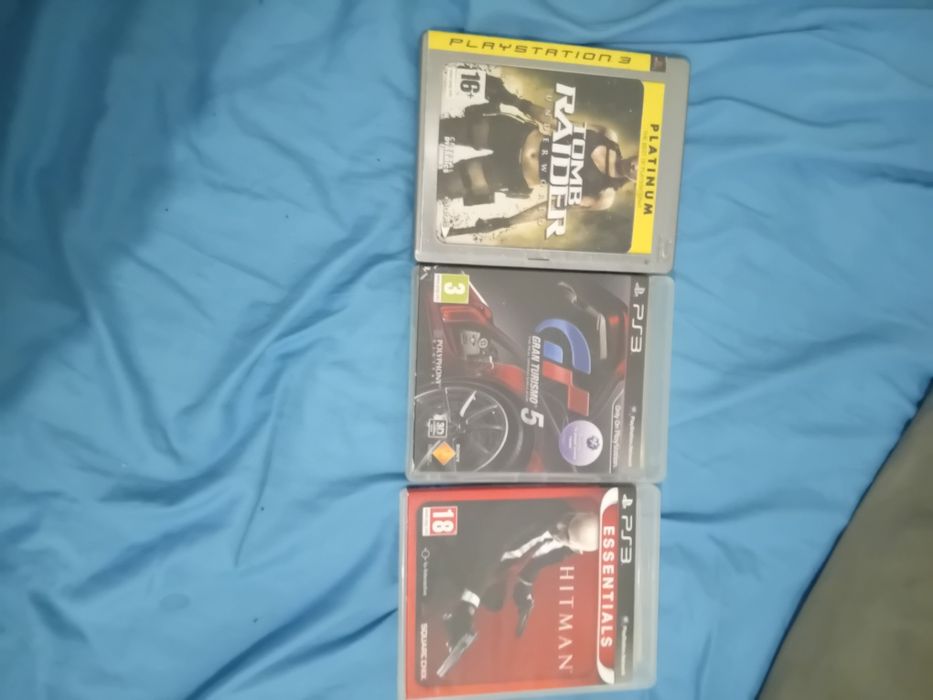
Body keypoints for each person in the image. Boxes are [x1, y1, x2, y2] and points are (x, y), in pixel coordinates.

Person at [437, 73, 637, 238]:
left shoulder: (604, 196)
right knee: (442, 129)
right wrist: (518, 103)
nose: (637, 167)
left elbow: (553, 207)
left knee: (445, 184)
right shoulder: (608, 136)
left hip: (510, 174)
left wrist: (506, 222)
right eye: (643, 162)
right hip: (512, 134)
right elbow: (560, 123)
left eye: (644, 173)